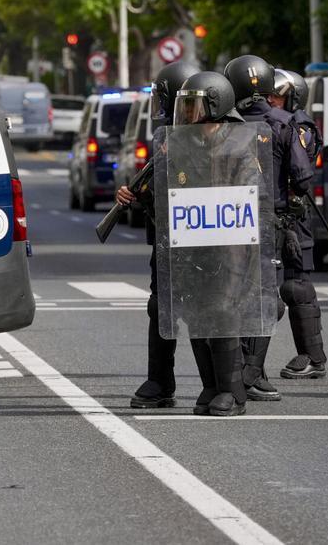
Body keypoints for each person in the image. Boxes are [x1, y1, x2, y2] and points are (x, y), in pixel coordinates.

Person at [226, 56, 314, 401]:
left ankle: (244, 373)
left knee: (235, 298)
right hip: (269, 221)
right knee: (266, 300)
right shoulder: (285, 122)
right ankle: (250, 372)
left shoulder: (222, 124)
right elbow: (303, 178)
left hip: (229, 221)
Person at [168, 71, 255, 416]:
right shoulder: (184, 145)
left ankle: (232, 393)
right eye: (184, 107)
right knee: (197, 313)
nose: (188, 115)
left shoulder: (239, 145)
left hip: (230, 244)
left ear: (216, 106)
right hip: (193, 244)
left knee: (223, 312)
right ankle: (209, 385)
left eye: (195, 107)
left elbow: (252, 192)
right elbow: (169, 190)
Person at [116, 61, 199, 409]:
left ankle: (230, 382)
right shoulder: (164, 137)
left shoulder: (212, 136)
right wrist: (136, 195)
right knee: (160, 307)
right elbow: (160, 191)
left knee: (211, 310)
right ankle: (160, 381)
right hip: (167, 241)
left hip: (202, 240)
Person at [271, 69, 327, 379]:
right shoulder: (270, 122)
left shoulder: (300, 127)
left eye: (277, 96)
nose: (271, 101)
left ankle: (312, 357)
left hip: (294, 215)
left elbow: (298, 170)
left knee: (296, 286)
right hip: (268, 212)